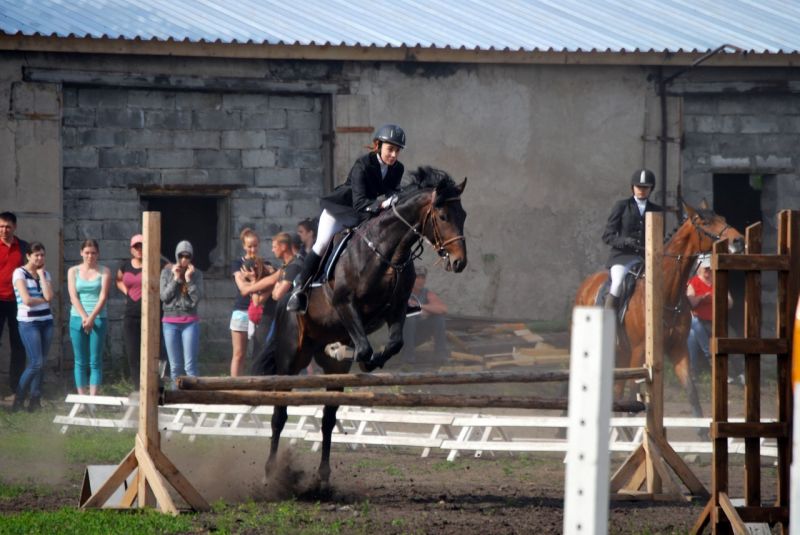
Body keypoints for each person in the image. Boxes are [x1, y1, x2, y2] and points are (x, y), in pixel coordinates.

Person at [286, 124, 406, 313]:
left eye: (397, 151)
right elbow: (360, 202)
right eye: (390, 149)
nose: (393, 155)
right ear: (378, 145)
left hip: (365, 215)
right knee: (322, 244)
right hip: (341, 211)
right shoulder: (363, 165)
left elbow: (393, 192)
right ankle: (299, 288)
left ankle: (397, 295)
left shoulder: (398, 169)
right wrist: (384, 204)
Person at [601, 169, 663, 310]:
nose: (641, 190)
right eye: (638, 187)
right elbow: (607, 235)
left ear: (651, 189)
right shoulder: (622, 206)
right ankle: (608, 318)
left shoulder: (656, 210)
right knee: (617, 283)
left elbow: (660, 237)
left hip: (646, 258)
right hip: (622, 257)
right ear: (633, 187)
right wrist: (624, 241)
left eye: (645, 187)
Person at [11, 242, 53, 412]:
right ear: (28, 256)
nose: (40, 258)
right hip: (29, 323)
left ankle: (35, 401)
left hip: (46, 321)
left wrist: (41, 275)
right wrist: (43, 300)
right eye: (36, 255)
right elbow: (27, 300)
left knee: (42, 362)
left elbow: (50, 295)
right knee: (36, 362)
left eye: (42, 255)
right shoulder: (19, 273)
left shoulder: (45, 274)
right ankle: (18, 400)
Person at [68, 239, 111, 396]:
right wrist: (84, 316)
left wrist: (91, 317)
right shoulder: (73, 271)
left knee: (95, 360)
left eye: (93, 253)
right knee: (80, 360)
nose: (90, 256)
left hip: (98, 317)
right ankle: (82, 398)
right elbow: (73, 296)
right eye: (87, 252)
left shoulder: (104, 271)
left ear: (98, 254)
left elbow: (103, 296)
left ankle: (92, 399)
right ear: (81, 253)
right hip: (77, 317)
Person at [160, 240, 202, 386]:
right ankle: (175, 395)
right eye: (181, 256)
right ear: (177, 256)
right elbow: (164, 297)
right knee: (175, 366)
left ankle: (193, 397)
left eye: (187, 256)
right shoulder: (166, 272)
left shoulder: (197, 274)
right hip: (170, 323)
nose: (184, 259)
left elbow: (196, 299)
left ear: (191, 257)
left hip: (190, 322)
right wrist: (175, 279)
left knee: (190, 366)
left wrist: (189, 280)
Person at [686, 254, 733, 379]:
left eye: (710, 268)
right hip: (700, 321)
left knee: (692, 334)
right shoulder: (693, 283)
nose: (708, 271)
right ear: (699, 267)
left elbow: (730, 303)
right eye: (706, 268)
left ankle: (696, 370)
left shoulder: (718, 281)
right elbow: (691, 303)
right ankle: (707, 359)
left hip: (716, 322)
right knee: (694, 327)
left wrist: (720, 298)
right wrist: (702, 297)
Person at [0, 212, 28, 398]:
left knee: (18, 345)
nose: (4, 230)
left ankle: (16, 388)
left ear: (15, 227)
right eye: (1, 226)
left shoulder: (24, 247)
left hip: (18, 303)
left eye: (8, 227)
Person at [230, 228, 262, 377]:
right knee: (239, 354)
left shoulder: (264, 264)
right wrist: (255, 282)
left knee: (259, 354)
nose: (253, 249)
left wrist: (250, 281)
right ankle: (234, 386)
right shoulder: (237, 263)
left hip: (259, 310)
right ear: (244, 246)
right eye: (249, 246)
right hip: (241, 311)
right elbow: (241, 286)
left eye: (255, 246)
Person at [401, 266, 449, 364]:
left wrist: (420, 306)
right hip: (402, 337)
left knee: (439, 318)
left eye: (423, 278)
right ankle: (408, 358)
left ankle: (440, 356)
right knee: (410, 319)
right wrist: (425, 311)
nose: (420, 281)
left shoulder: (426, 293)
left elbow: (443, 309)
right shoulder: (403, 292)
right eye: (417, 278)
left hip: (418, 335)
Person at [116, 234, 143, 389]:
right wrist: (127, 292)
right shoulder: (125, 265)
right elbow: (118, 280)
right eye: (136, 246)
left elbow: (170, 267)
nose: (139, 249)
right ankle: (138, 389)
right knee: (133, 355)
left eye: (142, 246)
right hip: (131, 315)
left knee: (152, 355)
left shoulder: (154, 263)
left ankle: (155, 390)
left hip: (149, 316)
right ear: (131, 249)